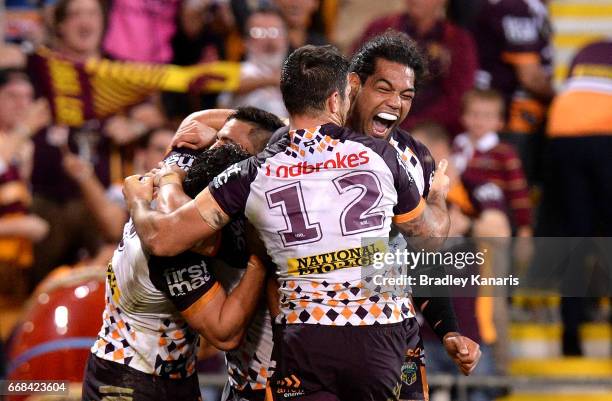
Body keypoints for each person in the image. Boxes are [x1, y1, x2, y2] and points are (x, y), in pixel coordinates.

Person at [123, 44, 451, 401]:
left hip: (306, 337)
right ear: (336, 100)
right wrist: (437, 195)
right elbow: (430, 238)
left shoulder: (254, 170)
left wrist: (146, 196)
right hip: (377, 339)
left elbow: (163, 239)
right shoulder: (381, 155)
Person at [348, 32, 481, 400]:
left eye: (406, 95)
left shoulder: (414, 156)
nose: (395, 103)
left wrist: (448, 329)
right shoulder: (313, 143)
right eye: (384, 89)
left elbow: (421, 256)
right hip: (316, 330)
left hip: (393, 334)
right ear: (354, 84)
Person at [82, 143, 267, 401]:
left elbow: (195, 126)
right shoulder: (172, 248)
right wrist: (261, 258)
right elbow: (225, 333)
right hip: (130, 377)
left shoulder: (162, 205)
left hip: (172, 376)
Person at [544, 39, 612, 356]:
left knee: (575, 236)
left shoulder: (588, 52)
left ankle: (570, 332)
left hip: (562, 133)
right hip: (605, 135)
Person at [354, 0, 478, 136]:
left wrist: (414, 124)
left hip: (433, 131)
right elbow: (358, 73)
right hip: (377, 119)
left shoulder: (457, 40)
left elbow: (458, 97)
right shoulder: (381, 27)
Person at [470, 0, 554, 183]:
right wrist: (560, 101)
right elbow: (529, 77)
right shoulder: (515, 7)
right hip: (513, 118)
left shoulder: (527, 8)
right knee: (516, 189)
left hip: (511, 115)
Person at [452, 89, 532, 236]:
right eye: (474, 114)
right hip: (460, 216)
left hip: (494, 218)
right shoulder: (456, 147)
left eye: (488, 116)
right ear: (463, 116)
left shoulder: (504, 153)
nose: (480, 121)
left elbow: (518, 192)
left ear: (500, 122)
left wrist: (524, 229)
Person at [0, 68, 50, 298]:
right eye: (12, 96)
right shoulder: (16, 141)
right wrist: (19, 227)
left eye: (27, 98)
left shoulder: (26, 149)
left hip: (14, 273)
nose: (21, 105)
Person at [219, 7, 289, 119]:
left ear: (286, 38)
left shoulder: (295, 75)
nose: (270, 41)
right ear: (246, 42)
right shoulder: (240, 71)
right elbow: (223, 103)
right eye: (259, 33)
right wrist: (270, 80)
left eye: (275, 32)